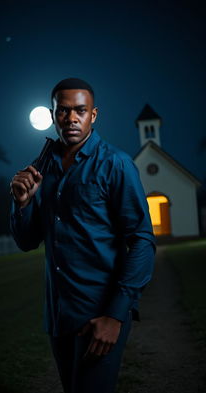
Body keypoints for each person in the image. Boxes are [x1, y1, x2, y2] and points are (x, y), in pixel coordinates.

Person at [10, 77, 156, 393]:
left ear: (94, 115)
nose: (71, 118)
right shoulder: (42, 167)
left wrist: (115, 316)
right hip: (59, 314)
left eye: (80, 110)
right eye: (63, 111)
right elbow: (27, 241)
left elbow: (142, 241)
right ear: (52, 115)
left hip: (100, 315)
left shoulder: (116, 164)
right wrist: (22, 204)